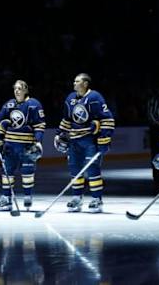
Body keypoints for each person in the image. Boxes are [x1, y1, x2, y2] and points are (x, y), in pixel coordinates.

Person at [54, 73, 115, 213]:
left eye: (77, 81)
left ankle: (97, 199)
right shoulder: (70, 98)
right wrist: (59, 134)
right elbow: (67, 120)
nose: (74, 84)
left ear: (85, 84)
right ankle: (77, 198)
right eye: (74, 81)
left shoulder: (95, 98)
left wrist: (105, 138)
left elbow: (107, 119)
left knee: (93, 170)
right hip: (74, 141)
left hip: (90, 141)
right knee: (74, 169)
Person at [0, 80, 45, 211]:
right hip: (9, 146)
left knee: (27, 172)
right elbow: (0, 123)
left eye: (19, 88)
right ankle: (6, 198)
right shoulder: (8, 105)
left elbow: (39, 126)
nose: (17, 91)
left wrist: (37, 142)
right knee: (7, 173)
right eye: (15, 88)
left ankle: (28, 196)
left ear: (26, 90)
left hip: (27, 146)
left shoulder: (34, 105)